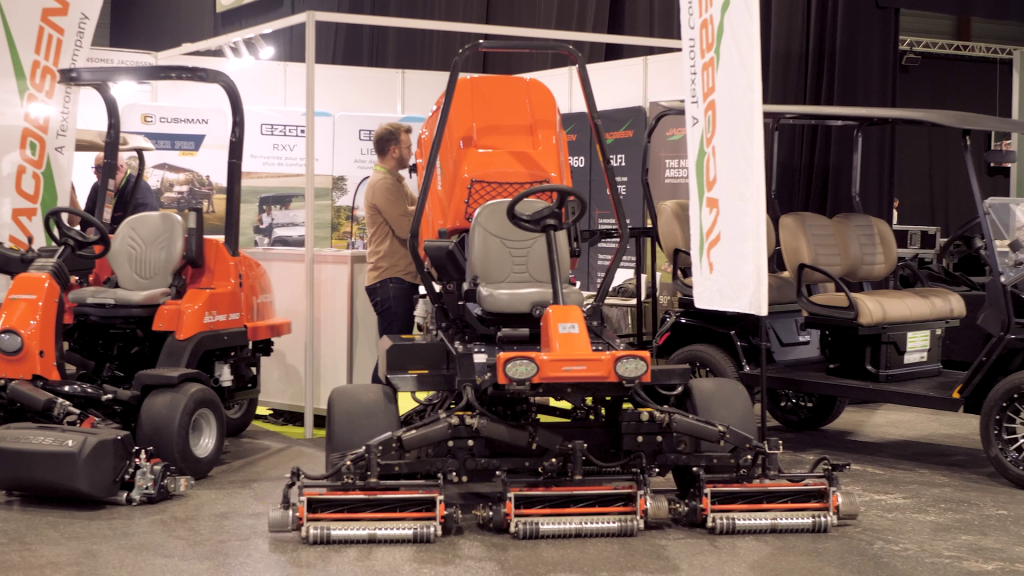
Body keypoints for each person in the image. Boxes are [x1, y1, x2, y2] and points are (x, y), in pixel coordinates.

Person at [364, 122, 419, 384]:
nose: (412, 152)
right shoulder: (383, 184)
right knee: (392, 357)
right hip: (391, 279)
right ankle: (377, 408)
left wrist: (410, 211)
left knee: (396, 356)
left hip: (400, 279)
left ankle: (383, 406)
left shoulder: (396, 182)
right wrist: (411, 212)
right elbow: (407, 228)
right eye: (408, 147)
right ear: (394, 150)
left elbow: (420, 209)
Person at [82, 152, 159, 234]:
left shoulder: (139, 190)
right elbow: (85, 221)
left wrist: (102, 232)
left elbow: (141, 228)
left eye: (99, 168)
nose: (95, 172)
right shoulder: (98, 187)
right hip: (102, 240)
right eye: (94, 168)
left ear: (117, 169)